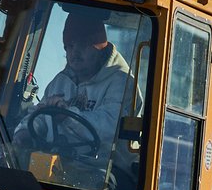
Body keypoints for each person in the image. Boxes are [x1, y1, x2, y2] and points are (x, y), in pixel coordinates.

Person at [12, 11, 138, 157]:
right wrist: (25, 131)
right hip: (60, 163)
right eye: (70, 46)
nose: (75, 52)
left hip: (106, 166)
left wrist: (68, 116)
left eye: (83, 45)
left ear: (100, 49)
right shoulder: (60, 82)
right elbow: (42, 114)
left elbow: (110, 128)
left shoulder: (122, 82)